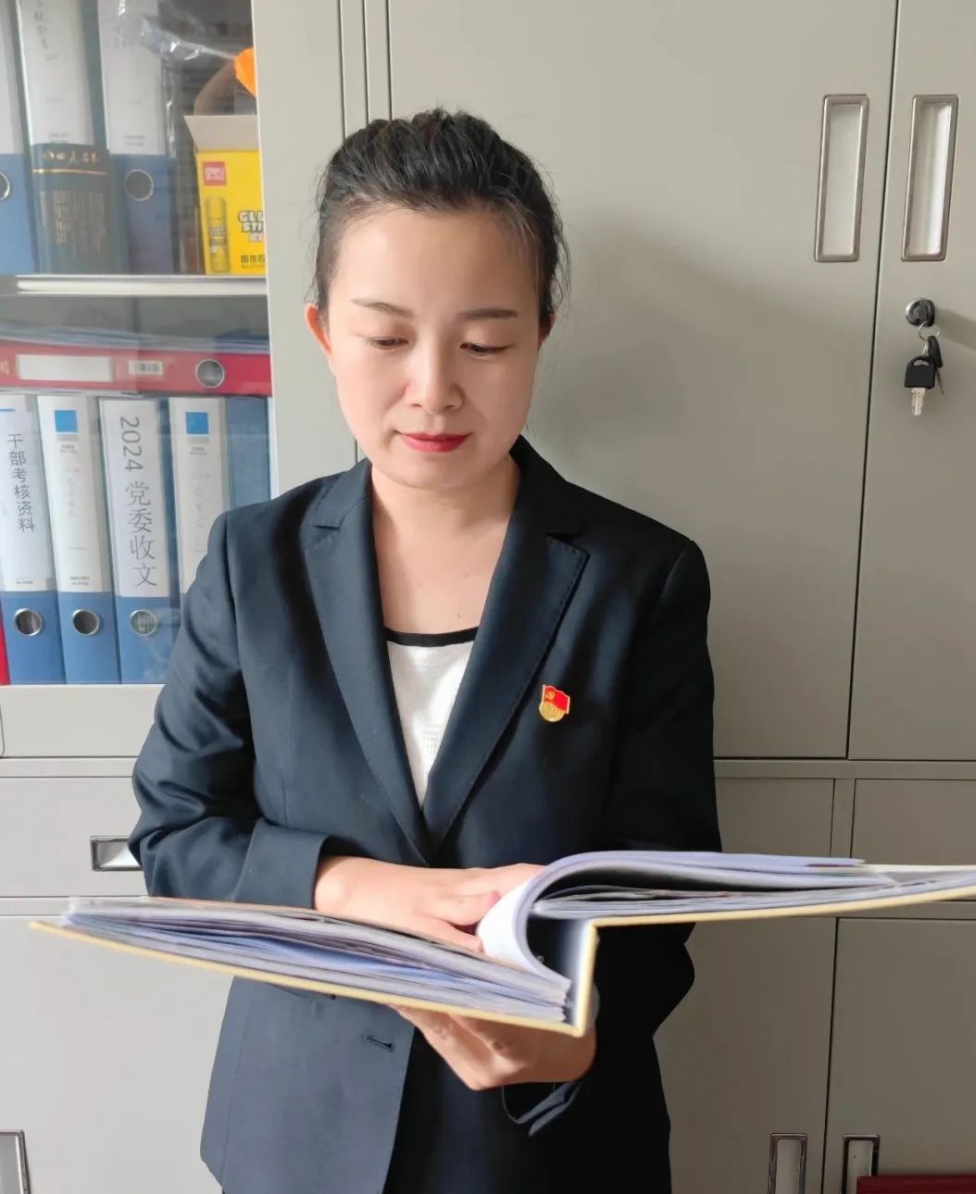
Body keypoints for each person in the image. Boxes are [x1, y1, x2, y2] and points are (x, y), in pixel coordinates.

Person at [128, 107, 720, 1194]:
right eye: (388, 338)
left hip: (546, 1142)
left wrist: (578, 1033)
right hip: (299, 1133)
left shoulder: (641, 577)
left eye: (485, 343)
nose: (435, 387)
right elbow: (176, 831)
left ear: (541, 333)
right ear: (323, 333)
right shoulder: (255, 561)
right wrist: (350, 885)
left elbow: (659, 887)